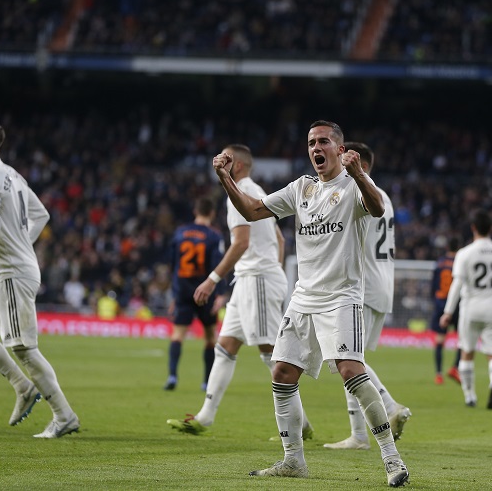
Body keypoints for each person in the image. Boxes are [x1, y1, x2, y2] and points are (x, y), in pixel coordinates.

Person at [212, 121, 409, 487]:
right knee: (282, 372)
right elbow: (253, 211)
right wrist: (226, 178)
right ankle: (293, 461)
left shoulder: (353, 185)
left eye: (322, 142)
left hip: (342, 296)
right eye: (310, 143)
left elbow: (377, 208)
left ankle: (392, 459)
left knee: (351, 369)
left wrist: (360, 174)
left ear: (338, 148)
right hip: (304, 297)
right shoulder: (301, 188)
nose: (315, 148)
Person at [167, 144, 312, 439]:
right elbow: (279, 241)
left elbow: (242, 242)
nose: (219, 160)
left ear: (240, 165)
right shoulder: (254, 190)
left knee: (270, 353)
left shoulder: (239, 194)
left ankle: (301, 425)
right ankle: (205, 417)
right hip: (251, 278)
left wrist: (211, 279)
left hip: (256, 278)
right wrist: (274, 270)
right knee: (225, 346)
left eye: (226, 158)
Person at [0, 117, 79, 438]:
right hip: (9, 270)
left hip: (12, 272)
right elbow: (41, 215)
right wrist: (21, 243)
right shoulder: (12, 174)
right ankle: (23, 387)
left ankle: (64, 416)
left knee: (23, 348)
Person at [323, 142, 411, 451]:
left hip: (361, 286)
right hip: (381, 284)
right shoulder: (380, 194)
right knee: (348, 359)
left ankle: (388, 405)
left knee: (346, 358)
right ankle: (359, 436)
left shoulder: (357, 190)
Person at [440, 209, 492, 410]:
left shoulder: (464, 253)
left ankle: (470, 396)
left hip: (471, 308)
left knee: (467, 352)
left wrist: (447, 312)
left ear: (473, 228)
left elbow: (457, 285)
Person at [163, 196, 227, 391]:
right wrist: (221, 293)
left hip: (182, 290)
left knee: (177, 335)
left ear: (195, 211)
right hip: (205, 291)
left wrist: (174, 294)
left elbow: (173, 265)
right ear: (212, 213)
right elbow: (219, 265)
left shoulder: (180, 233)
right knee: (209, 337)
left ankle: (172, 376)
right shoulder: (214, 236)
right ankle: (206, 381)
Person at [430, 237, 462, 385]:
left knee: (440, 340)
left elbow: (433, 285)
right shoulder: (461, 262)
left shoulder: (440, 262)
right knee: (463, 339)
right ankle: (455, 367)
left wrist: (434, 301)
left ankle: (438, 374)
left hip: (440, 304)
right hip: (457, 304)